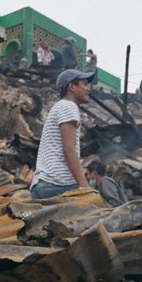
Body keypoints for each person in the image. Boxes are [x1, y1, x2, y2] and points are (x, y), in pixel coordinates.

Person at [30, 69, 95, 199]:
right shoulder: (68, 106)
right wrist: (85, 188)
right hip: (57, 184)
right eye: (84, 84)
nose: (88, 89)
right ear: (72, 86)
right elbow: (69, 148)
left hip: (44, 185)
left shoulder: (60, 106)